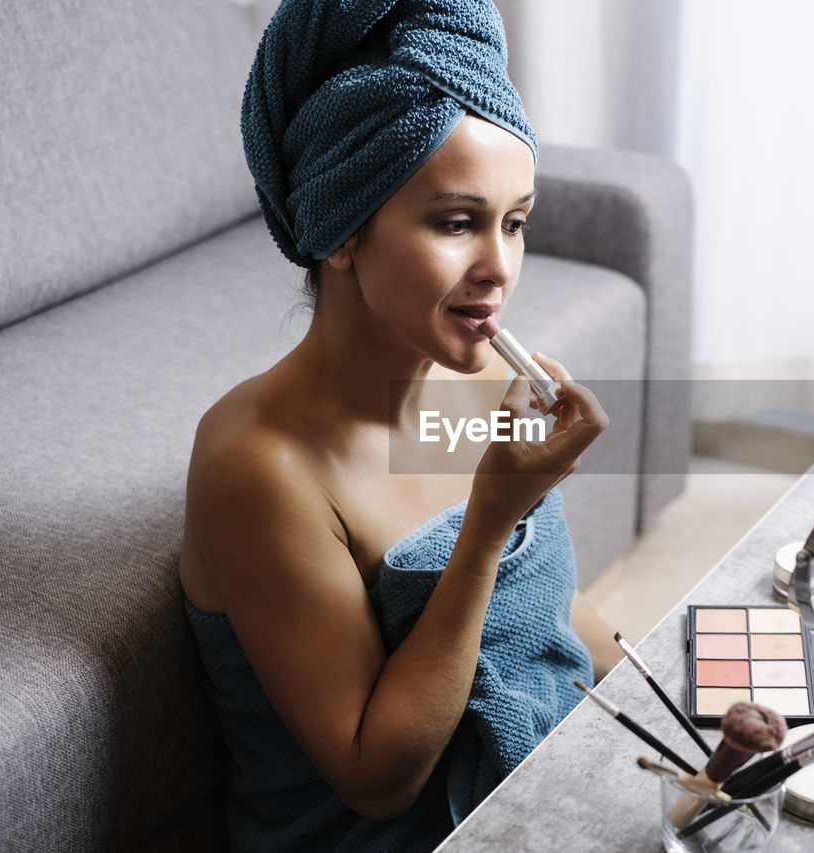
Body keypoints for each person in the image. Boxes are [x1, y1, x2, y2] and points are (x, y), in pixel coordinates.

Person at [177, 1, 621, 849]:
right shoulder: (261, 466)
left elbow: (545, 606)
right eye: (457, 222)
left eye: (515, 222)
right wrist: (490, 519)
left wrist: (665, 688)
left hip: (538, 786)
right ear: (343, 231)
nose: (500, 267)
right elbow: (378, 778)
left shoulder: (488, 380)